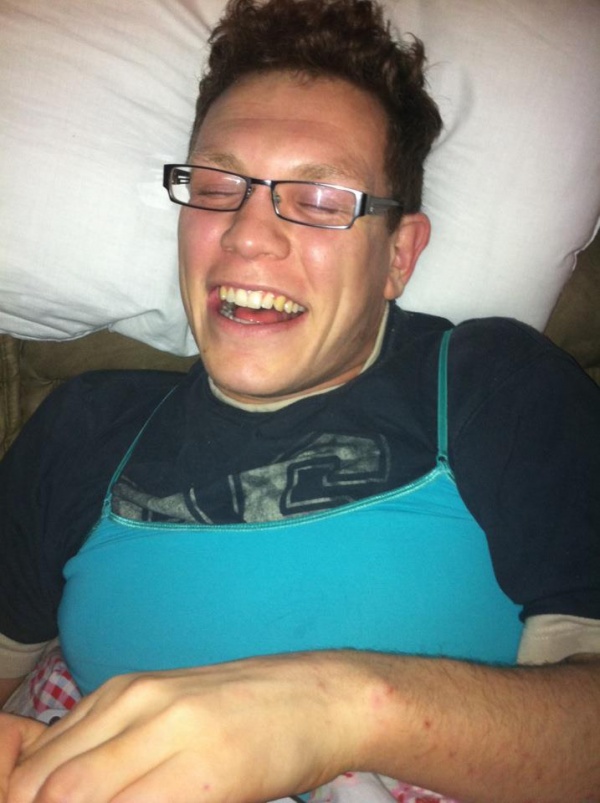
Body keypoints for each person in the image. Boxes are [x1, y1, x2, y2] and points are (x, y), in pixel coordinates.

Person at [1, 0, 599, 801]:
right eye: (218, 187)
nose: (247, 236)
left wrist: (334, 712)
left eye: (321, 200)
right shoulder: (82, 427)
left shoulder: (496, 385)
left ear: (399, 255)